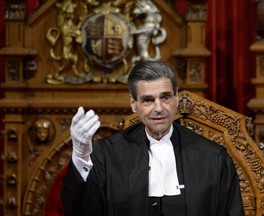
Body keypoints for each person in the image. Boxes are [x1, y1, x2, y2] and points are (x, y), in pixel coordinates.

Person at [61, 60, 245, 216]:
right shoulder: (106, 154)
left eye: (165, 97)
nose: (158, 108)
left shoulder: (213, 158)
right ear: (134, 104)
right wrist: (81, 157)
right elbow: (80, 211)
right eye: (148, 100)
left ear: (176, 98)